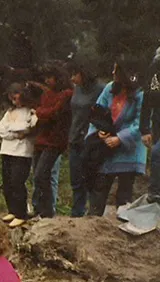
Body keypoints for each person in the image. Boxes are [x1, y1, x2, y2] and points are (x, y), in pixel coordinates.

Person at [87, 59, 147, 216]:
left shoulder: (140, 94)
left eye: (116, 70)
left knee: (124, 192)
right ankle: (93, 220)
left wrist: (120, 138)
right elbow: (98, 112)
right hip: (107, 147)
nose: (112, 73)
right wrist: (99, 131)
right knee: (100, 187)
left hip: (129, 149)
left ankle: (122, 225)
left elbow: (141, 122)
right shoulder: (109, 89)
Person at [30, 64, 73, 218]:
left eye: (50, 77)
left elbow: (54, 113)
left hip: (54, 141)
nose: (47, 80)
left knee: (42, 175)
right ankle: (39, 209)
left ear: (58, 78)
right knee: (37, 175)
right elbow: (44, 111)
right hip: (41, 139)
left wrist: (40, 113)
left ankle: (48, 211)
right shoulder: (47, 94)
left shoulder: (67, 94)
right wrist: (42, 113)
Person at [0, 82, 38, 227]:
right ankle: (12, 210)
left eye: (16, 98)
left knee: (17, 182)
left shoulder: (30, 112)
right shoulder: (9, 112)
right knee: (7, 182)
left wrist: (14, 129)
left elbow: (29, 127)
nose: (14, 102)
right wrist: (15, 133)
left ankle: (21, 213)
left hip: (22, 153)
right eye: (11, 99)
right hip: (6, 150)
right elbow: (1, 129)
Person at [68, 60, 104, 217]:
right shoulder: (76, 89)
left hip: (90, 140)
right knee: (75, 177)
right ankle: (77, 211)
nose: (71, 78)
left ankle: (93, 212)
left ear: (84, 73)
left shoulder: (100, 89)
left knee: (90, 177)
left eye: (74, 74)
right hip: (74, 137)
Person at [140, 46, 160, 203]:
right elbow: (147, 100)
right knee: (156, 154)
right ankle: (154, 194)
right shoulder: (154, 70)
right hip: (157, 125)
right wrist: (144, 129)